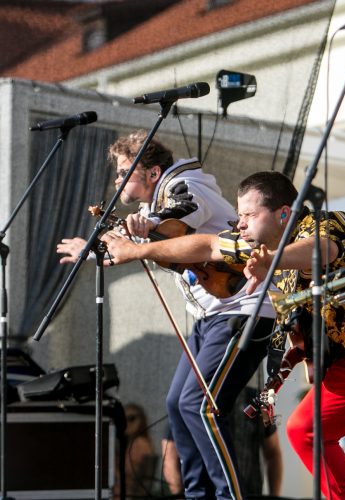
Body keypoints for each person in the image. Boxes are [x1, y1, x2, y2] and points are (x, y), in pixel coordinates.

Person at [101, 171, 345, 499]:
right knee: (305, 430)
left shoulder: (322, 224)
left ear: (284, 213)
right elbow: (206, 246)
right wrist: (137, 250)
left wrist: (272, 260)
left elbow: (320, 252)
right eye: (240, 215)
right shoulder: (266, 260)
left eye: (249, 215)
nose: (239, 223)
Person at [57, 130, 276, 500]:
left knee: (200, 406)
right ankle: (196, 495)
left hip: (243, 308)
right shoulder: (147, 211)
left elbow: (179, 219)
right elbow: (129, 251)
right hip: (213, 316)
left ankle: (226, 497)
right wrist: (93, 253)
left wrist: (153, 225)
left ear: (153, 172)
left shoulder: (188, 184)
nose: (117, 179)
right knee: (177, 403)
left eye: (125, 170)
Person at [114, 403, 156, 499]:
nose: (127, 423)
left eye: (131, 418)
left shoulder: (139, 443)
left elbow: (129, 474)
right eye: (123, 419)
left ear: (142, 420)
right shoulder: (131, 443)